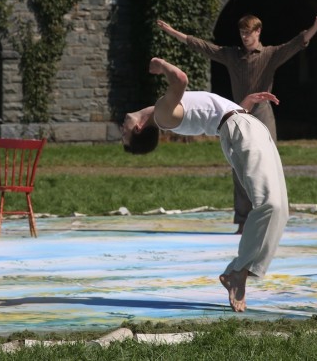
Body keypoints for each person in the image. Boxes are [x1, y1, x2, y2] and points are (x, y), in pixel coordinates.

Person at [120, 57, 288, 312]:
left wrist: (243, 107)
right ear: (140, 128)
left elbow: (218, 118)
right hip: (242, 129)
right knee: (270, 204)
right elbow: (180, 79)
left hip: (244, 125)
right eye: (125, 132)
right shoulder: (163, 113)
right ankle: (238, 271)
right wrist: (159, 64)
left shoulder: (164, 113)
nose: (123, 127)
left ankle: (240, 270)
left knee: (281, 208)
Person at [157, 11, 317, 233]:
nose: (244, 38)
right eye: (242, 34)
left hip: (263, 115)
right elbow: (204, 47)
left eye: (248, 34)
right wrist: (174, 32)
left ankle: (273, 219)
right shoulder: (232, 56)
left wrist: (315, 26)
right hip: (238, 114)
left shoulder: (270, 54)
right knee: (240, 167)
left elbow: (296, 43)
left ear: (258, 32)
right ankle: (242, 221)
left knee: (269, 165)